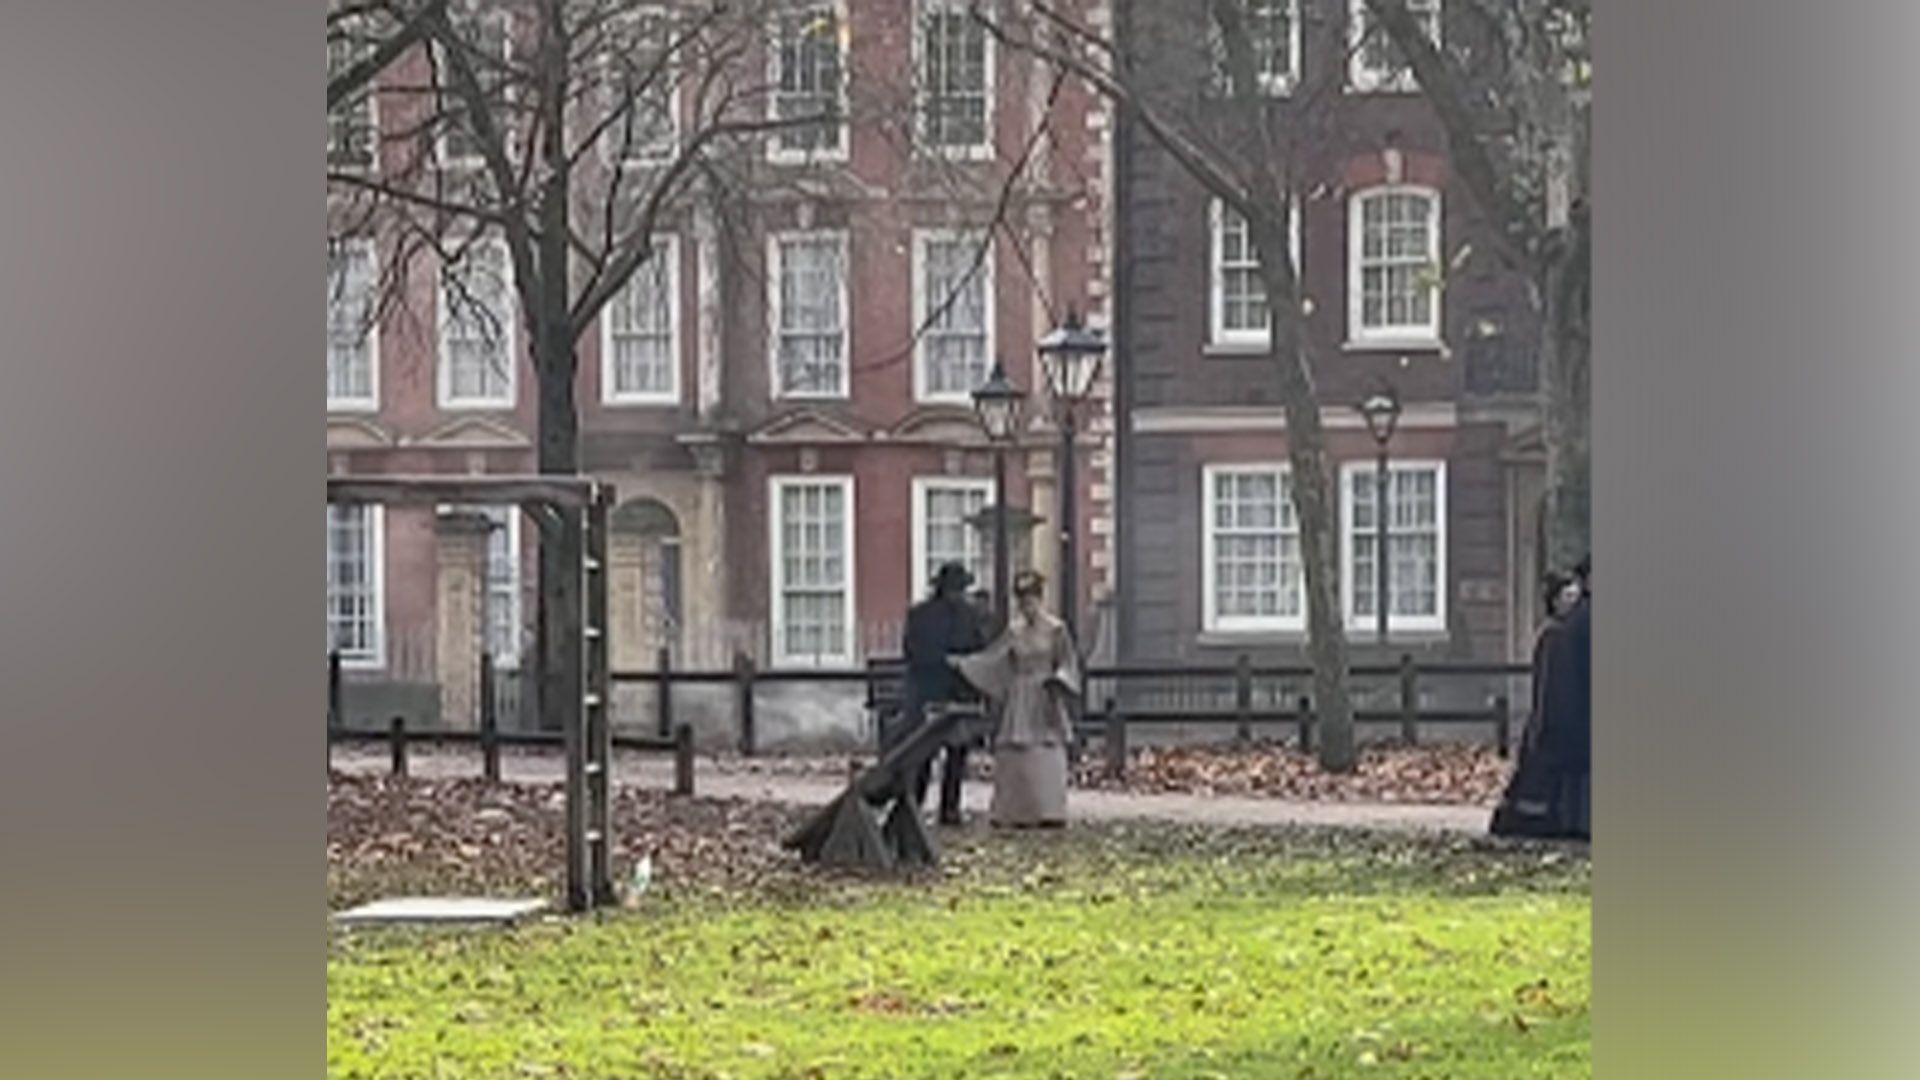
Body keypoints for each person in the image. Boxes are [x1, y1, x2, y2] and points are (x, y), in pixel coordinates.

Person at [949, 570, 1080, 828]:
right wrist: (966, 664)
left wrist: (1060, 680)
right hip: (1020, 694)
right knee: (1015, 751)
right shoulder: (1014, 630)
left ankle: (1048, 809)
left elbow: (1067, 661)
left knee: (1045, 749)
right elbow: (995, 659)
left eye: (1031, 600)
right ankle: (1015, 810)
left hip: (1044, 694)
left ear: (1040, 599)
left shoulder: (1056, 629)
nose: (1027, 607)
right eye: (1022, 602)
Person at [1491, 557, 1592, 840]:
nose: (1572, 602)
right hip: (1554, 721)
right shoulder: (1555, 637)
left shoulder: (1565, 633)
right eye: (1566, 596)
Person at [895, 563, 986, 823]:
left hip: (929, 692)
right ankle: (946, 808)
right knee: (948, 755)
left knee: (929, 753)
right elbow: (979, 651)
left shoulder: (919, 615)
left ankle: (920, 804)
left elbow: (911, 653)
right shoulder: (969, 616)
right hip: (951, 692)